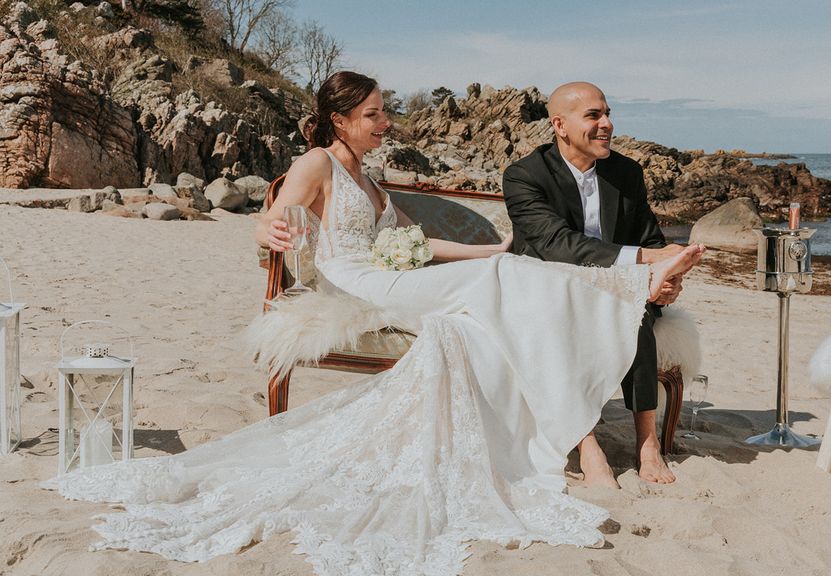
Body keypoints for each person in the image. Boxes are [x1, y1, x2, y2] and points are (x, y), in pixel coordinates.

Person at [47, 71, 705, 576]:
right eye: (373, 114)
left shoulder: (371, 175)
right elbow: (276, 212)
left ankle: (588, 407)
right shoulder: (318, 164)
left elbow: (418, 243)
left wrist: (490, 249)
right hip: (361, 284)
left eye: (383, 112)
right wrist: (264, 226)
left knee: (499, 294)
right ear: (339, 119)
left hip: (399, 274)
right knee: (520, 280)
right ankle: (594, 404)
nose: (385, 121)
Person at [502, 81, 690, 487]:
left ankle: (647, 443)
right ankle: (586, 443)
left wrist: (665, 278)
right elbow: (556, 245)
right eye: (593, 116)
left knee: (634, 308)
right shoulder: (524, 176)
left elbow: (652, 240)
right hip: (549, 290)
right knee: (564, 312)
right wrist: (644, 261)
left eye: (607, 114)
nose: (607, 124)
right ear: (560, 125)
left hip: (618, 287)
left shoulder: (625, 172)